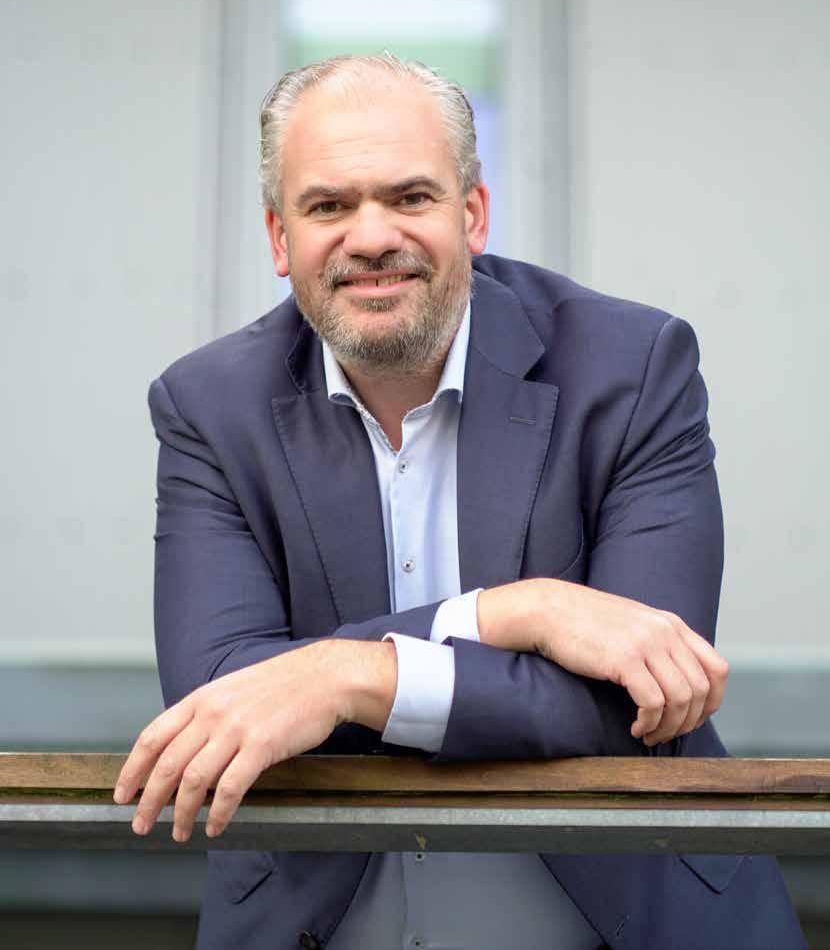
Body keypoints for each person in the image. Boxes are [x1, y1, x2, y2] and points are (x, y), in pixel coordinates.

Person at [115, 53, 804, 949]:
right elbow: (223, 702)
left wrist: (341, 676)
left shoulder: (633, 370)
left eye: (410, 196)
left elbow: (641, 702)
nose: (371, 237)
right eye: (328, 206)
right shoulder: (209, 407)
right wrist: (518, 613)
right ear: (280, 238)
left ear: (471, 214)